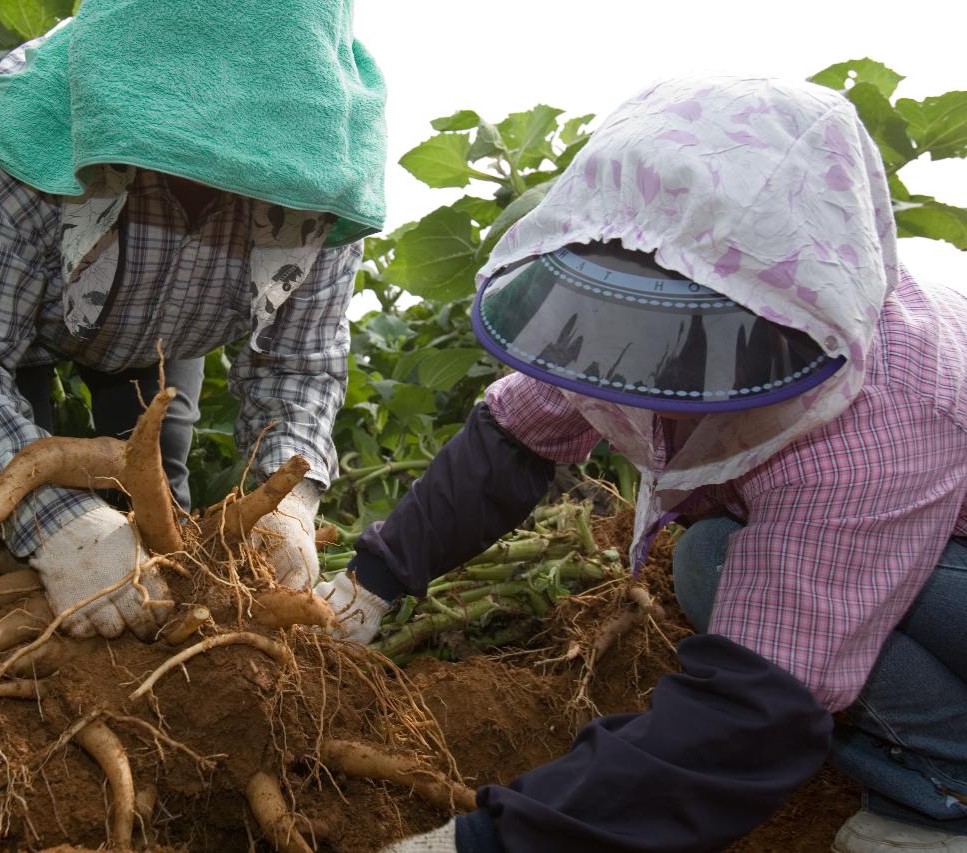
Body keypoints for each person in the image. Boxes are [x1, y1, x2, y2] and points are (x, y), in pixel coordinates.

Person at [315, 75, 967, 852]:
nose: (656, 359)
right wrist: (372, 581)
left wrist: (487, 842)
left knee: (729, 566)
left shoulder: (877, 413)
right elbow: (512, 440)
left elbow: (758, 712)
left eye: (696, 330)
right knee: (708, 558)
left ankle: (941, 787)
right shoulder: (642, 310)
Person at [0, 0, 386, 640]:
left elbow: (298, 368)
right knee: (24, 530)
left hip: (167, 342)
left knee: (158, 508)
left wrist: (286, 503)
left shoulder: (325, 178)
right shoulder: (14, 139)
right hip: (15, 335)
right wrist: (57, 521)